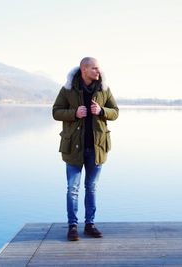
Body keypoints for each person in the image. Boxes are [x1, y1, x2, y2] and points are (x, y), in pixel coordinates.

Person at [52, 57, 119, 241]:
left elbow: (116, 112)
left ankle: (90, 225)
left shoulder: (104, 89)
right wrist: (74, 113)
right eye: (94, 68)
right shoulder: (68, 89)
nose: (98, 71)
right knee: (72, 188)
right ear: (84, 69)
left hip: (97, 148)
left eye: (98, 68)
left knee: (91, 188)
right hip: (74, 148)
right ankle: (72, 227)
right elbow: (56, 111)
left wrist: (102, 111)